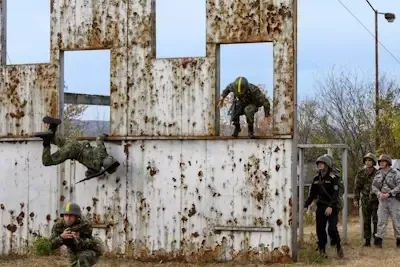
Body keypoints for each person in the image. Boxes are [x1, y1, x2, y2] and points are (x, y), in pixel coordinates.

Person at [33, 116, 120, 178]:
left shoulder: (102, 153)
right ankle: (46, 142)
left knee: (58, 140)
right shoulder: (96, 168)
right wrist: (99, 173)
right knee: (47, 161)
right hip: (72, 152)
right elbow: (88, 174)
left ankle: (52, 127)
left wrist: (106, 134)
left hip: (76, 143)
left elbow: (99, 138)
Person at [304, 155, 344, 258]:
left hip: (332, 206)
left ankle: (338, 246)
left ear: (327, 165)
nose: (320, 165)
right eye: (319, 163)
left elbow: (335, 194)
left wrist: (331, 206)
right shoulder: (316, 178)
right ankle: (322, 250)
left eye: (322, 163)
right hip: (321, 206)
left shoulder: (333, 178)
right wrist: (305, 205)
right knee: (320, 230)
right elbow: (312, 194)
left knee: (331, 229)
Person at [371, 154, 400, 248]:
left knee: (397, 221)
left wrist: (390, 193)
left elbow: (399, 186)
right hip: (382, 201)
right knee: (381, 221)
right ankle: (379, 241)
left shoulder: (395, 173)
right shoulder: (378, 174)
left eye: (383, 161)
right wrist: (379, 193)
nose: (381, 163)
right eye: (380, 162)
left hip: (393, 200)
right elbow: (374, 186)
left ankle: (399, 240)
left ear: (388, 162)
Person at [353, 153, 379, 246]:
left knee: (376, 220)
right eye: (366, 160)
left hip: (376, 200)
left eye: (370, 160)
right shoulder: (360, 173)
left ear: (373, 162)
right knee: (366, 221)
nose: (367, 162)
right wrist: (356, 199)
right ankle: (367, 240)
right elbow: (357, 188)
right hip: (365, 200)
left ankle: (377, 239)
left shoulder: (378, 173)